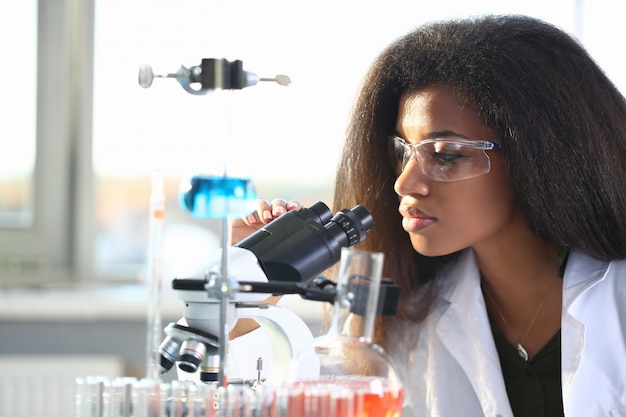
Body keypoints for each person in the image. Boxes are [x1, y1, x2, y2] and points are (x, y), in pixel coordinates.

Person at [232, 14, 626, 417]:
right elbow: (271, 400)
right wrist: (246, 293)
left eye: (445, 155)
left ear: (540, 155)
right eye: (402, 151)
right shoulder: (402, 323)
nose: (405, 183)